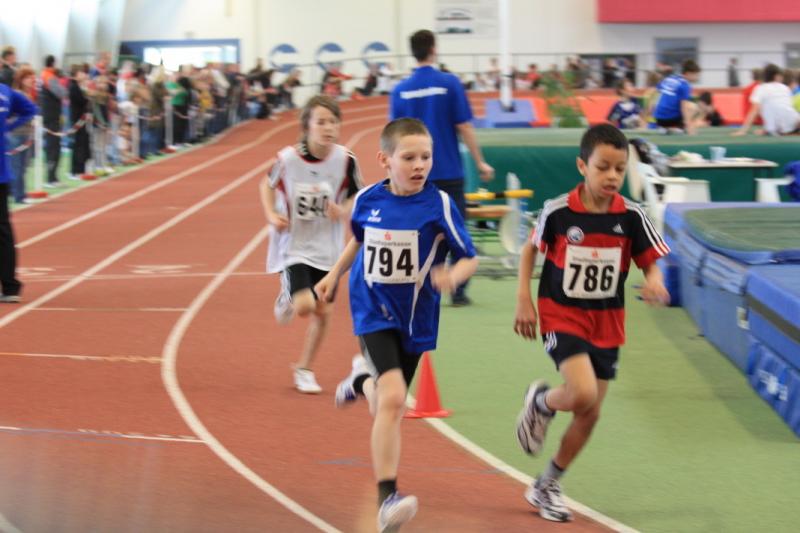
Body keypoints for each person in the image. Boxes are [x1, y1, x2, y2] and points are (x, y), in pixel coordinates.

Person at [315, 118, 478, 532]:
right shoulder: (368, 199)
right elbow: (359, 239)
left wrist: (453, 277)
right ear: (385, 160)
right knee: (393, 400)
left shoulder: (439, 205)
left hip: (416, 317)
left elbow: (468, 256)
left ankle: (360, 381)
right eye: (409, 157)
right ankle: (388, 498)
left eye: (426, 157)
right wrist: (333, 275)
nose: (419, 165)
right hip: (371, 308)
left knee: (384, 404)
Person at [513, 124, 670, 522]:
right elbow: (530, 251)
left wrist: (654, 280)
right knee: (581, 393)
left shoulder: (631, 216)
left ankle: (546, 483)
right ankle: (542, 402)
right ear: (583, 166)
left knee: (590, 413)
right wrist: (524, 300)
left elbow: (649, 260)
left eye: (619, 168)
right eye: (603, 167)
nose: (612, 176)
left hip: (607, 322)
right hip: (561, 314)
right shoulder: (558, 212)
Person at [262, 95, 363, 394]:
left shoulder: (346, 160)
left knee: (323, 312)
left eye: (333, 122)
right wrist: (271, 215)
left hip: (328, 247)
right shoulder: (288, 159)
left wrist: (342, 209)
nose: (328, 128)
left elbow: (355, 193)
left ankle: (304, 369)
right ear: (307, 126)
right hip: (295, 244)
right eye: (321, 122)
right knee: (306, 306)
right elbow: (266, 185)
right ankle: (288, 295)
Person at [390, 29, 494, 306]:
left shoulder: (400, 90)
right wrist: (480, 161)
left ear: (413, 52)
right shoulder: (450, 83)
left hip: (413, 177)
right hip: (448, 171)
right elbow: (465, 126)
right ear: (433, 49)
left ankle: (415, 287)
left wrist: (393, 174)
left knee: (415, 231)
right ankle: (457, 290)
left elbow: (393, 137)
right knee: (457, 232)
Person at [0, 81, 38, 302]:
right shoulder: (5, 91)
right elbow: (30, 109)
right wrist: (7, 127)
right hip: (1, 172)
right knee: (3, 230)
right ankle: (10, 287)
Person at [733, 63, 800, 136]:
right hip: (793, 121)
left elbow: (754, 110)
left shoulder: (760, 88)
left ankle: (785, 131)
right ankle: (790, 131)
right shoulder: (785, 88)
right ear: (776, 76)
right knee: (791, 120)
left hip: (774, 127)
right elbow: (784, 108)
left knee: (779, 125)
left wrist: (743, 130)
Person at [652, 59, 701, 134]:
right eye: (696, 75)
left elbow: (657, 93)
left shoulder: (670, 78)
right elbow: (684, 107)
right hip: (671, 119)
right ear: (688, 73)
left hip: (658, 118)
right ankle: (680, 129)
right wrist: (688, 126)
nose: (698, 77)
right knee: (694, 107)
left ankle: (666, 128)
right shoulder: (685, 85)